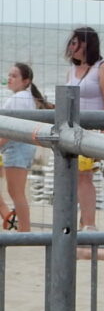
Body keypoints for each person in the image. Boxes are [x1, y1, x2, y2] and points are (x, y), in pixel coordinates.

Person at [65, 26, 104, 230]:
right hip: (73, 129)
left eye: (74, 42)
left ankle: (89, 224)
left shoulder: (103, 68)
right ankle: (80, 223)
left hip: (92, 131)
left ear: (85, 44)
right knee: (74, 178)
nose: (71, 46)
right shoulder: (72, 69)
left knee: (84, 177)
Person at [0, 63, 52, 231]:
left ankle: (24, 229)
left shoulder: (20, 98)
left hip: (17, 147)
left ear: (26, 81)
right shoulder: (25, 97)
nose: (9, 78)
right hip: (20, 147)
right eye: (9, 75)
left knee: (16, 192)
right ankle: (20, 226)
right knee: (16, 191)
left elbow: (11, 129)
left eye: (14, 76)